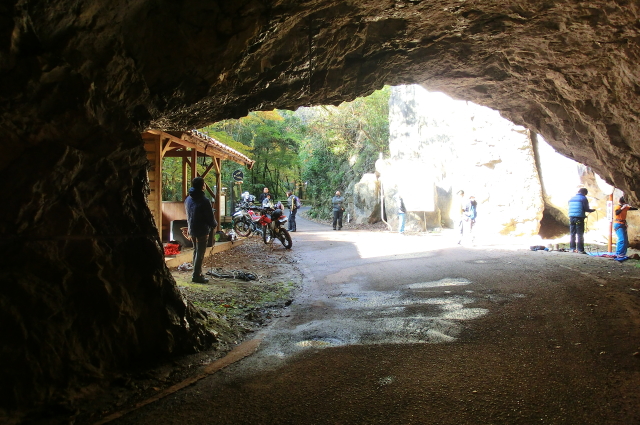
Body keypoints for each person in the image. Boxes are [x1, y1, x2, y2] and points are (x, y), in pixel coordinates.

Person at [185, 177, 216, 283]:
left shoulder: (188, 198)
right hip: (202, 229)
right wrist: (213, 224)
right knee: (200, 252)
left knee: (195, 250)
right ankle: (196, 275)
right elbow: (209, 217)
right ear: (202, 186)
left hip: (192, 228)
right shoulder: (204, 200)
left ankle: (196, 272)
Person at [568, 188, 595, 254]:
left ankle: (572, 248)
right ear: (584, 193)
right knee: (580, 234)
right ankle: (580, 250)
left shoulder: (571, 198)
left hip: (571, 218)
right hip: (579, 218)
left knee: (572, 233)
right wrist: (592, 210)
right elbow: (586, 209)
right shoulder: (583, 198)